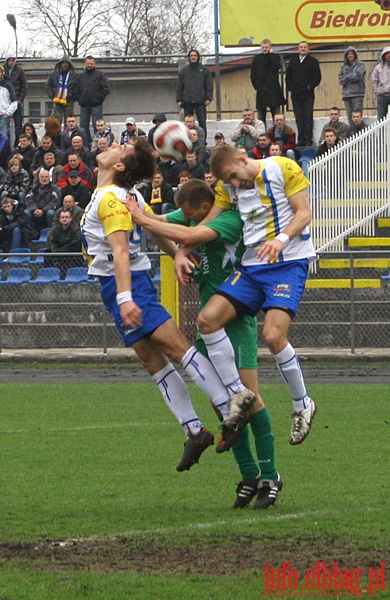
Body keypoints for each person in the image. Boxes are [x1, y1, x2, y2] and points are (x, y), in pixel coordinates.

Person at [80, 139, 252, 471]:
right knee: (151, 358)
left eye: (118, 147)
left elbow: (121, 252)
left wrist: (126, 298)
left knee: (177, 348)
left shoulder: (111, 200)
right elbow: (152, 229)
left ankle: (229, 405)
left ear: (118, 167)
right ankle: (194, 430)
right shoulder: (124, 197)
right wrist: (177, 255)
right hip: (115, 284)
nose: (111, 145)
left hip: (126, 283)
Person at [127, 179, 282, 509]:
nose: (185, 217)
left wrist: (150, 223)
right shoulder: (192, 218)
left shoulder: (227, 220)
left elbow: (189, 235)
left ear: (203, 207)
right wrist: (175, 253)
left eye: (189, 212)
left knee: (248, 399)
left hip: (234, 317)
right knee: (221, 404)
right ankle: (249, 474)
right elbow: (161, 230)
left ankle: (271, 476)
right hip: (208, 319)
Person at [190, 145, 317, 446]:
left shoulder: (283, 168)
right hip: (252, 267)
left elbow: (304, 213)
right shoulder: (226, 187)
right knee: (207, 320)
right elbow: (208, 222)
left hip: (288, 263)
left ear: (244, 159)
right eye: (228, 181)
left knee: (273, 336)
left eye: (235, 176)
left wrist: (281, 241)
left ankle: (302, 404)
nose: (235, 184)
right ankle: (238, 394)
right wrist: (183, 251)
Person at [285, 41, 321, 147]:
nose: (303, 49)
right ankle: (300, 139)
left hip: (308, 94)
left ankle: (308, 139)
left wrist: (309, 86)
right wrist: (292, 88)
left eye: (305, 47)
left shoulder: (313, 61)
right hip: (296, 95)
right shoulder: (292, 61)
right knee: (299, 117)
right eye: (301, 47)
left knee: (308, 117)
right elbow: (288, 77)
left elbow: (317, 77)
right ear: (298, 49)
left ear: (308, 49)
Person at [176, 49, 213, 141]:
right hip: (187, 101)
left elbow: (209, 85)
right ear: (189, 57)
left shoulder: (204, 70)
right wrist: (179, 99)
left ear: (198, 57)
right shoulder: (184, 71)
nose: (193, 57)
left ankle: (202, 142)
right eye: (191, 56)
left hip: (200, 101)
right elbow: (179, 86)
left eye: (195, 55)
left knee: (202, 123)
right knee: (188, 123)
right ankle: (187, 140)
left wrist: (208, 98)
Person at [250, 39, 285, 125]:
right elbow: (253, 74)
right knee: (261, 117)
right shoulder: (257, 58)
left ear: (270, 47)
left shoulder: (275, 57)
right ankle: (262, 135)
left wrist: (271, 55)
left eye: (266, 47)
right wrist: (256, 86)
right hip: (261, 91)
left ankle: (277, 135)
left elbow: (277, 67)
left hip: (273, 91)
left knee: (276, 115)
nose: (264, 49)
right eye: (263, 47)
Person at [77, 56, 110, 146]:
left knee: (98, 127)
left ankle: (98, 144)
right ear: (85, 64)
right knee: (83, 127)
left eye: (91, 63)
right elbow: (75, 89)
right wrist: (80, 99)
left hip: (96, 105)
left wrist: (99, 98)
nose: (89, 65)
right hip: (84, 106)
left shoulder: (100, 75)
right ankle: (87, 145)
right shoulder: (80, 76)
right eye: (88, 63)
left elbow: (106, 89)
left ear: (94, 64)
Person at [45, 56, 78, 127]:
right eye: (63, 63)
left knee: (69, 122)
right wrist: (53, 97)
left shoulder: (74, 75)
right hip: (57, 101)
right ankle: (56, 137)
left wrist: (72, 97)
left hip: (69, 102)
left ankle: (68, 136)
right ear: (60, 64)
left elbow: (77, 88)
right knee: (55, 121)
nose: (65, 65)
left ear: (69, 64)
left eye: (66, 63)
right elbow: (48, 86)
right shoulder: (53, 74)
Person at [338, 47, 366, 127]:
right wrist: (351, 77)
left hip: (357, 94)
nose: (350, 55)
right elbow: (341, 80)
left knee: (357, 117)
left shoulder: (360, 64)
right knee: (350, 118)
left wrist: (347, 77)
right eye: (348, 54)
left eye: (352, 53)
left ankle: (360, 134)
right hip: (346, 95)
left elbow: (358, 76)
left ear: (355, 55)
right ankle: (353, 133)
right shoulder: (343, 67)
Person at [4, 55, 27, 146]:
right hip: (5, 102)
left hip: (16, 100)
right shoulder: (3, 70)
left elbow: (24, 86)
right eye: (9, 60)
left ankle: (17, 143)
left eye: (12, 60)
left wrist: (20, 100)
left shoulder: (19, 71)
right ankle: (6, 144)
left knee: (18, 124)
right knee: (5, 124)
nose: (11, 62)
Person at [371, 46, 390, 120]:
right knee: (381, 119)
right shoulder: (378, 68)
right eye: (387, 53)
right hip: (382, 96)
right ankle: (382, 132)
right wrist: (377, 91)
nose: (389, 55)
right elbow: (374, 80)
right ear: (383, 55)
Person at [0, 65, 17, 137]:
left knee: (4, 137)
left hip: (3, 116)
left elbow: (14, 101)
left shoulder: (8, 85)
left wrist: (8, 113)